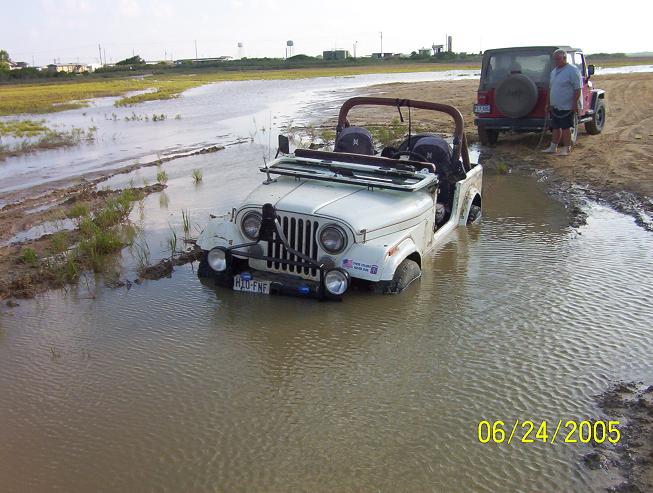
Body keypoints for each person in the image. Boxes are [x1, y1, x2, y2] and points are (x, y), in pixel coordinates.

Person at [542, 49, 582, 156]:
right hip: (555, 105)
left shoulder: (572, 70)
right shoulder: (553, 72)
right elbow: (551, 89)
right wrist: (548, 103)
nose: (556, 61)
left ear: (564, 58)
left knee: (565, 127)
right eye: (554, 59)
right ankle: (553, 147)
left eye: (558, 59)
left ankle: (566, 148)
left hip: (567, 106)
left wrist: (574, 103)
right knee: (555, 127)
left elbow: (577, 89)